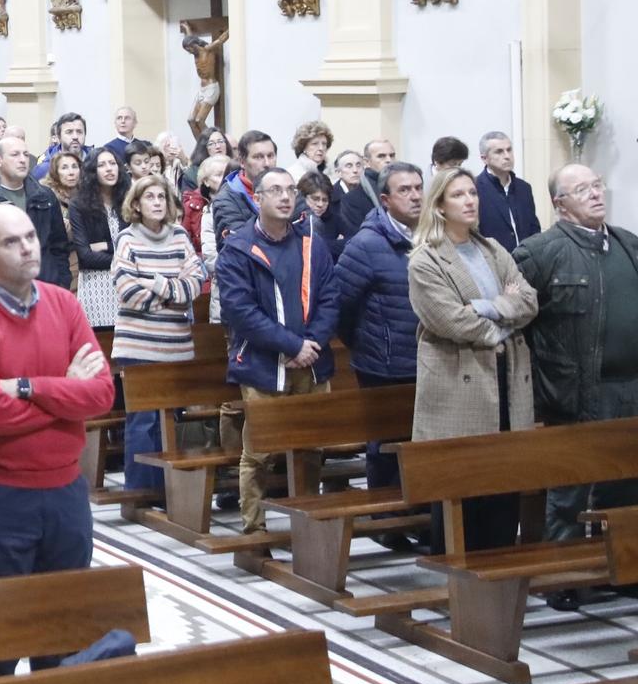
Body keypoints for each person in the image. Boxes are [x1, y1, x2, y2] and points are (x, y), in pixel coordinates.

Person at [0, 203, 114, 680]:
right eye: (11, 242)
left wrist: (31, 387)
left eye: (30, 236)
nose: (28, 247)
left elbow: (100, 393)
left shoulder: (64, 303)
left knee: (63, 634)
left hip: (64, 492)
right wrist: (63, 393)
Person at [513, 163, 638, 557]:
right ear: (559, 204)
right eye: (582, 190)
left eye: (597, 185)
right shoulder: (539, 252)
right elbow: (519, 324)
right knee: (571, 489)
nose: (596, 194)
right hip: (576, 389)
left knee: (627, 482)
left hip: (632, 385)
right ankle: (564, 575)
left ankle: (622, 567)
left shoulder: (628, 243)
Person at [406, 167, 539, 555]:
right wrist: (502, 318)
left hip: (505, 376)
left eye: (472, 193)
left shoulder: (493, 249)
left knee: (503, 478)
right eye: (459, 195)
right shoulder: (426, 260)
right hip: (456, 381)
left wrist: (487, 307)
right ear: (441, 207)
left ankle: (499, 566)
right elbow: (450, 319)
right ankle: (456, 574)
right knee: (460, 483)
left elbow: (528, 301)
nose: (470, 201)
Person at [215, 168, 341, 536]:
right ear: (258, 199)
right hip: (263, 365)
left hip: (312, 364)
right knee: (260, 453)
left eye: (290, 190)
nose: (286, 197)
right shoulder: (238, 248)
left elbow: (331, 298)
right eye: (275, 191)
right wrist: (291, 345)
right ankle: (255, 530)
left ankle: (309, 521)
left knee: (312, 446)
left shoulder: (311, 244)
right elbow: (241, 312)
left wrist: (310, 344)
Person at [325, 160, 426, 510]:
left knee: (421, 442)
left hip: (427, 360)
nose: (415, 196)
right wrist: (368, 342)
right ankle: (386, 519)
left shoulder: (433, 238)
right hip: (383, 363)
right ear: (385, 199)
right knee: (384, 443)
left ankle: (420, 512)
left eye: (418, 188)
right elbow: (341, 305)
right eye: (404, 190)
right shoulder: (367, 244)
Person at [109, 176, 206, 496]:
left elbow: (194, 283)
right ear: (136, 204)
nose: (156, 202)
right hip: (138, 344)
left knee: (171, 419)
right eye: (149, 196)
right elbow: (125, 289)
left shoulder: (179, 237)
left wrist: (157, 285)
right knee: (144, 421)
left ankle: (166, 489)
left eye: (161, 196)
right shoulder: (127, 238)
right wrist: (169, 297)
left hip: (175, 345)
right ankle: (139, 491)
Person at [0, 136, 72, 291]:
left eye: (25, 154)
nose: (22, 160)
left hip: (45, 289)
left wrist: (60, 283)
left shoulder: (45, 196)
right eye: (15, 155)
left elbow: (59, 246)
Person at [69, 148, 127, 329]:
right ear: (92, 172)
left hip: (127, 282)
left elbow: (138, 248)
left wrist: (107, 246)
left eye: (112, 163)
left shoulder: (129, 201)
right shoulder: (79, 204)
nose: (109, 169)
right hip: (95, 285)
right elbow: (86, 256)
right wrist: (123, 258)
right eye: (102, 165)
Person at [474, 131, 540, 253]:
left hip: (527, 263)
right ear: (484, 158)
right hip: (493, 262)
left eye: (509, 150)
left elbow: (533, 228)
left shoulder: (524, 188)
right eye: (499, 152)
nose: (507, 156)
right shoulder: (475, 188)